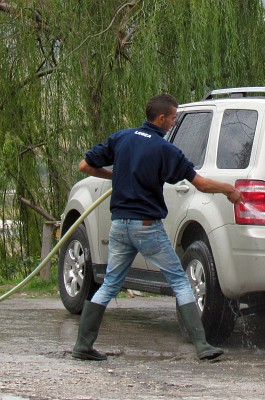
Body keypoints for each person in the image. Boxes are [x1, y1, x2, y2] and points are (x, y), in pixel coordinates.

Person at [72, 93, 243, 361]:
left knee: (110, 284)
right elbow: (201, 184)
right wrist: (228, 190)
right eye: (173, 118)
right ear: (161, 118)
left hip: (119, 226)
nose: (175, 123)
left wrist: (113, 174)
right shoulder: (165, 150)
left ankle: (83, 345)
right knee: (178, 278)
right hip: (147, 227)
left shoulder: (122, 138)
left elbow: (85, 165)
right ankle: (202, 345)